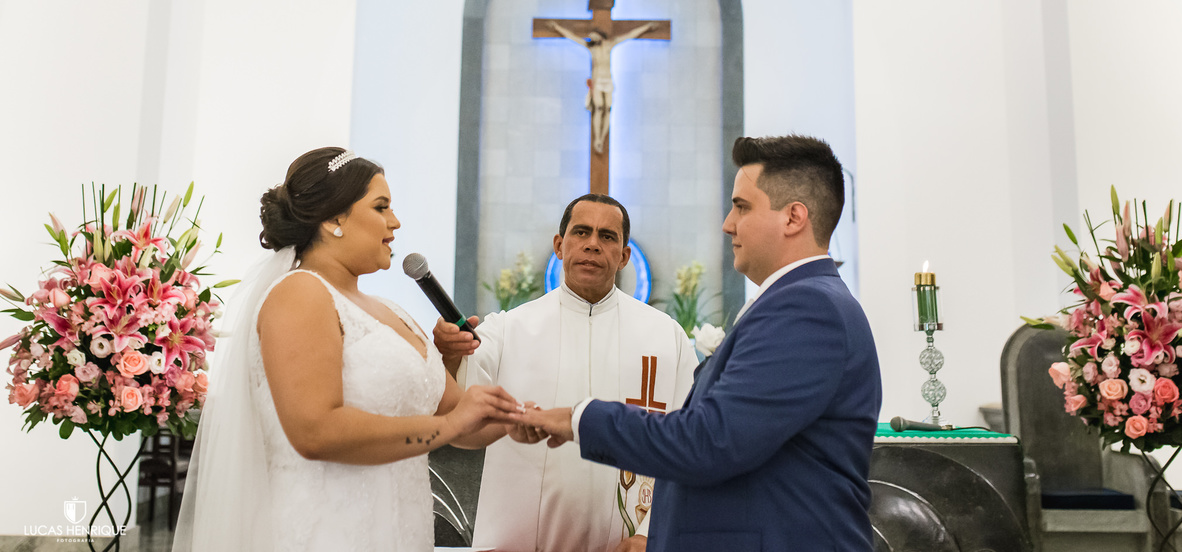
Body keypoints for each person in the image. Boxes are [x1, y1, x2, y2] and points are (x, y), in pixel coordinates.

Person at [520, 135, 883, 551]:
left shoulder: (808, 308)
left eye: (742, 207)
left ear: (793, 217)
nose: (728, 223)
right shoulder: (802, 301)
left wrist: (577, 418)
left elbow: (711, 440)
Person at [172, 147, 525, 552]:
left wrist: (528, 419)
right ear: (334, 218)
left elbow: (460, 418)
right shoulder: (300, 294)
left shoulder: (393, 312)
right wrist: (451, 426)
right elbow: (315, 432)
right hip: (329, 532)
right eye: (381, 207)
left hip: (401, 532)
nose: (395, 222)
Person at [433, 194, 696, 552]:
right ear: (559, 245)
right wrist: (449, 355)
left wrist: (649, 535)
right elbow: (457, 418)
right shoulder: (508, 330)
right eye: (581, 232)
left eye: (607, 236)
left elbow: (689, 442)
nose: (592, 244)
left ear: (624, 256)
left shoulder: (667, 337)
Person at [547, 20, 658, 153]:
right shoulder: (591, 48)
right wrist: (557, 27)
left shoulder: (610, 45)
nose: (591, 38)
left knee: (608, 109)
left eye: (593, 35)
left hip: (608, 80)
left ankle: (602, 137)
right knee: (599, 108)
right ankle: (597, 139)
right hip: (598, 81)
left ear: (600, 35)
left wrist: (646, 27)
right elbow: (572, 37)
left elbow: (630, 35)